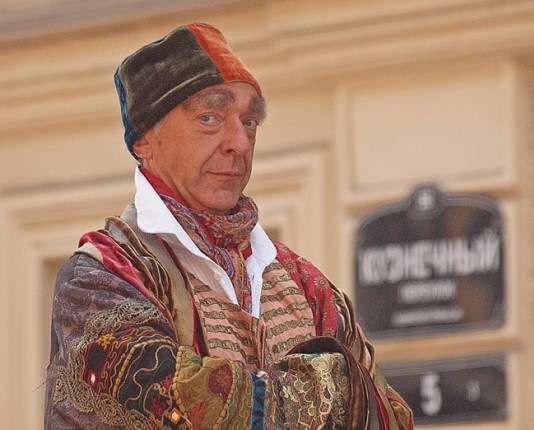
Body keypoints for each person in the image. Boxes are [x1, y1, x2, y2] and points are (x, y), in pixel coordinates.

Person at [44, 23, 413, 429]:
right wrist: (337, 387)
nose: (239, 142)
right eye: (209, 118)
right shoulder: (101, 277)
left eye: (249, 121)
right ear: (144, 140)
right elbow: (185, 406)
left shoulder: (306, 285)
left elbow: (390, 416)